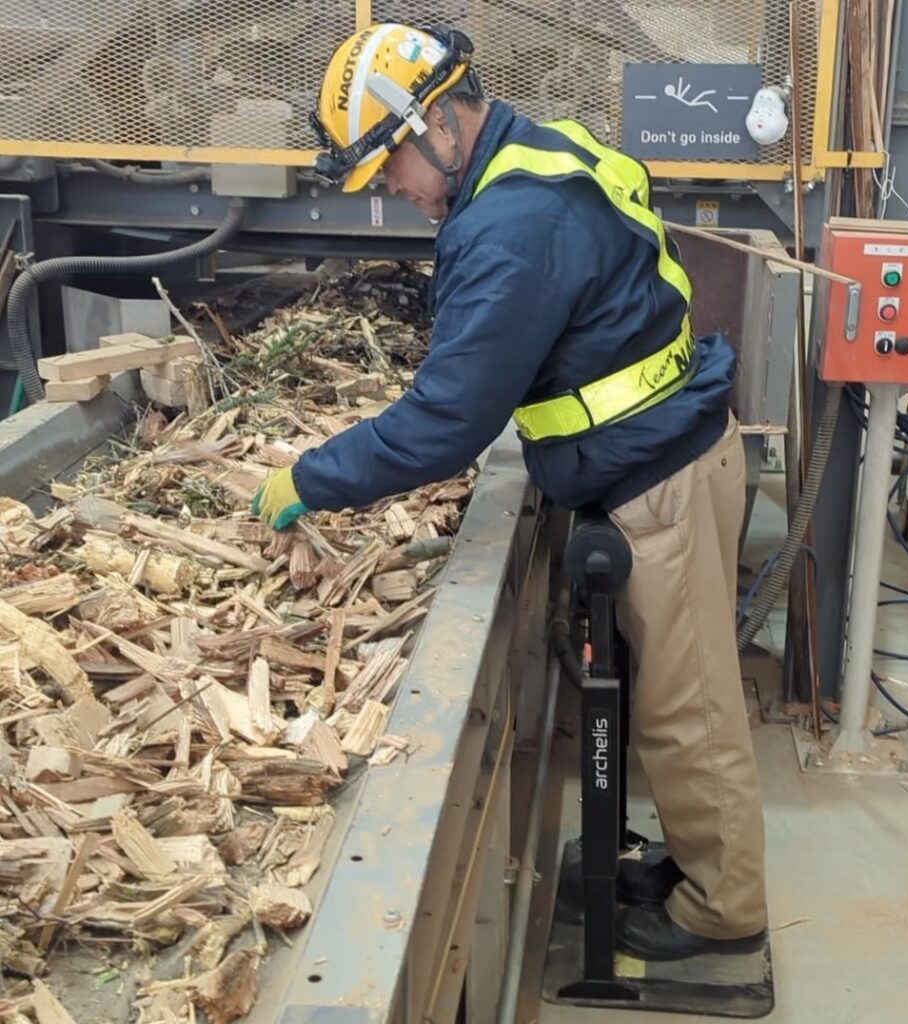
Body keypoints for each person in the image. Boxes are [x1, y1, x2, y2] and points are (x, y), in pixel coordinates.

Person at [252, 22, 768, 960]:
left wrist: (310, 478)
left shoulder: (509, 228)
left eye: (389, 166)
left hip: (665, 483)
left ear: (439, 122)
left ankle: (723, 909)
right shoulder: (538, 147)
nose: (392, 192)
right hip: (664, 456)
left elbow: (448, 422)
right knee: (670, 697)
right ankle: (697, 861)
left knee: (688, 708)